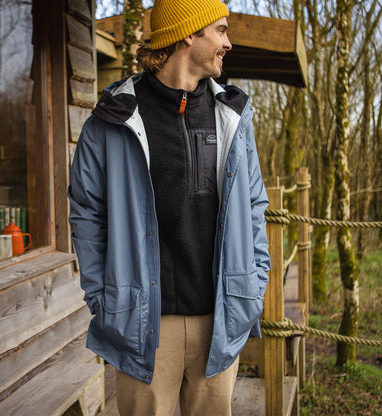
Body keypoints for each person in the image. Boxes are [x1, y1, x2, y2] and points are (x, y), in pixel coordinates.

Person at [68, 0, 270, 414]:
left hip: (220, 318)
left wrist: (255, 284)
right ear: (188, 35)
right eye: (221, 30)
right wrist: (103, 300)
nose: (228, 43)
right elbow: (87, 213)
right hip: (140, 323)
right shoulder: (113, 118)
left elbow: (254, 204)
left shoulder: (233, 116)